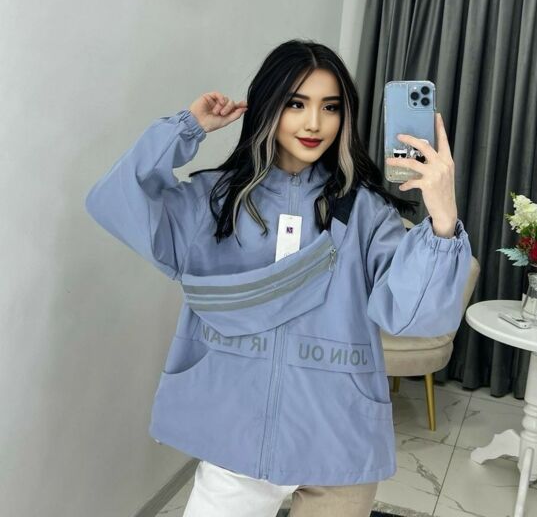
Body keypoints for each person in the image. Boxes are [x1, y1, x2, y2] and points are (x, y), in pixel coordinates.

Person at [85, 39, 472, 517]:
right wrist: (186, 128)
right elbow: (115, 200)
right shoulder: (213, 201)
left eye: (330, 107)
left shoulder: (367, 213)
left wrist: (442, 219)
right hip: (235, 438)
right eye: (296, 104)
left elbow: (416, 316)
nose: (314, 124)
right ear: (268, 106)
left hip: (338, 442)